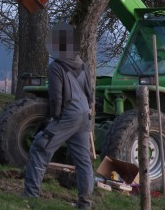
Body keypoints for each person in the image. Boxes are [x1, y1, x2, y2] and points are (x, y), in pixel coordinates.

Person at [23, 23, 94, 209]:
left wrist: (54, 118)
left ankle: (31, 196)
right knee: (83, 161)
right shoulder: (83, 65)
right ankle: (85, 204)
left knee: (39, 147)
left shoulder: (56, 67)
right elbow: (90, 93)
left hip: (68, 116)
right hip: (84, 116)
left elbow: (56, 97)